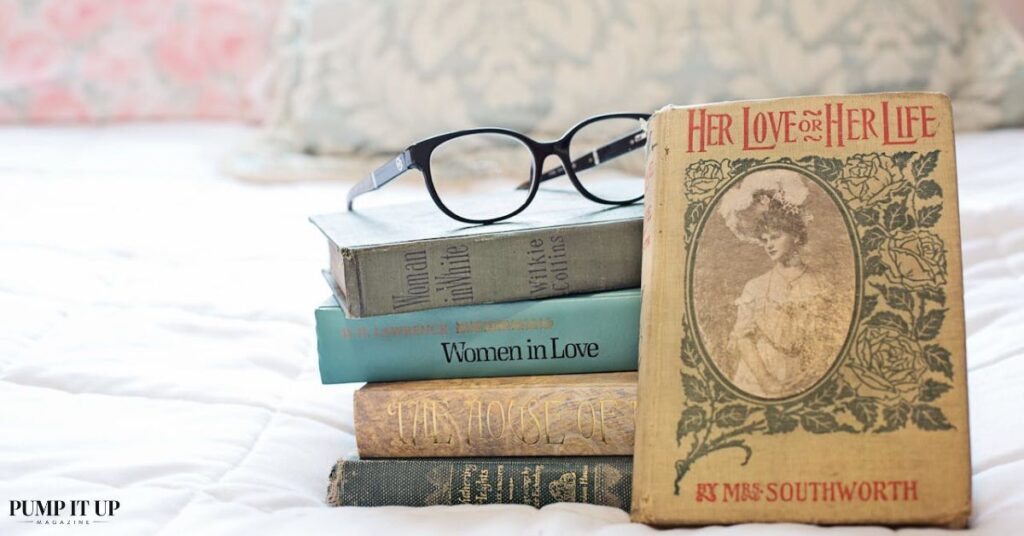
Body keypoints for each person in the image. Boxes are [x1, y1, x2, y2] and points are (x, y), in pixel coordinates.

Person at [720, 174, 841, 398]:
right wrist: (766, 381)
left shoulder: (819, 283)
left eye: (775, 237)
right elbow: (743, 339)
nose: (769, 245)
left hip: (802, 373)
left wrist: (808, 377)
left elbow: (827, 339)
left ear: (795, 235)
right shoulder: (754, 287)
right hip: (757, 375)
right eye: (765, 240)